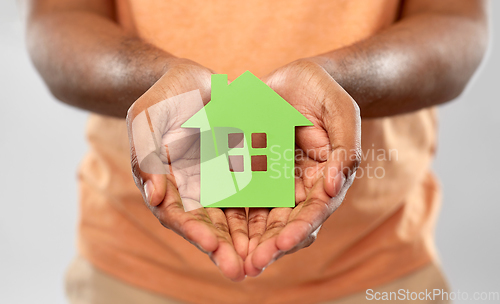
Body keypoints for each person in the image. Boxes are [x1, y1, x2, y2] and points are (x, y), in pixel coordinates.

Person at [24, 0, 488, 303]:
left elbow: (455, 23)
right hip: (132, 270)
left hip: (378, 271)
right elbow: (58, 20)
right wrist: (160, 82)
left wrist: (338, 80)